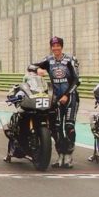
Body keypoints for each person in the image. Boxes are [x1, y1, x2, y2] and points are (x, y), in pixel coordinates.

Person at [33, 37, 80, 169]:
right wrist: (37, 70)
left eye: (58, 45)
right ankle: (60, 155)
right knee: (56, 127)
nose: (56, 48)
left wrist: (66, 95)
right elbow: (32, 65)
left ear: (62, 46)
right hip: (55, 99)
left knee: (69, 127)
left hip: (71, 98)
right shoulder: (48, 60)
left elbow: (77, 81)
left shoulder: (70, 59)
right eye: (53, 46)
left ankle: (69, 156)